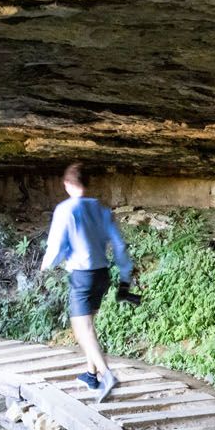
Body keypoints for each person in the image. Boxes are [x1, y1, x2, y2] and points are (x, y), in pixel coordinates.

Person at [39, 163, 131, 401]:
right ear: (86, 183)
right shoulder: (100, 209)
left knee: (82, 330)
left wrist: (46, 265)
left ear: (67, 184)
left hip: (82, 275)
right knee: (89, 325)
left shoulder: (66, 210)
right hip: (102, 273)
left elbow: (58, 245)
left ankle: (106, 374)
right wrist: (125, 275)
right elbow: (119, 245)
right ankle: (91, 375)